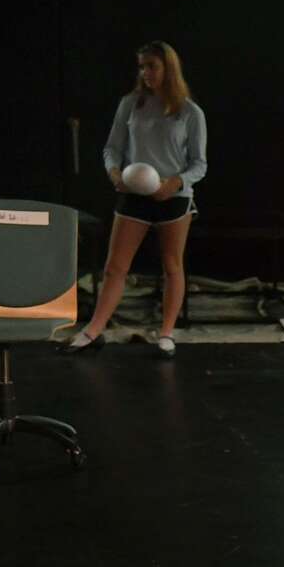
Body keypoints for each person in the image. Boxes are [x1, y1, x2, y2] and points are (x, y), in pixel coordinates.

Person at [59, 40, 207, 358]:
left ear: (168, 68)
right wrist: (115, 173)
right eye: (141, 66)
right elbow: (111, 148)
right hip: (134, 196)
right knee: (115, 268)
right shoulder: (131, 103)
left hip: (173, 197)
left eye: (151, 66)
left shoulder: (190, 112)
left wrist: (176, 182)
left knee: (172, 266)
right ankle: (93, 330)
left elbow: (200, 164)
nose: (145, 72)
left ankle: (166, 333)